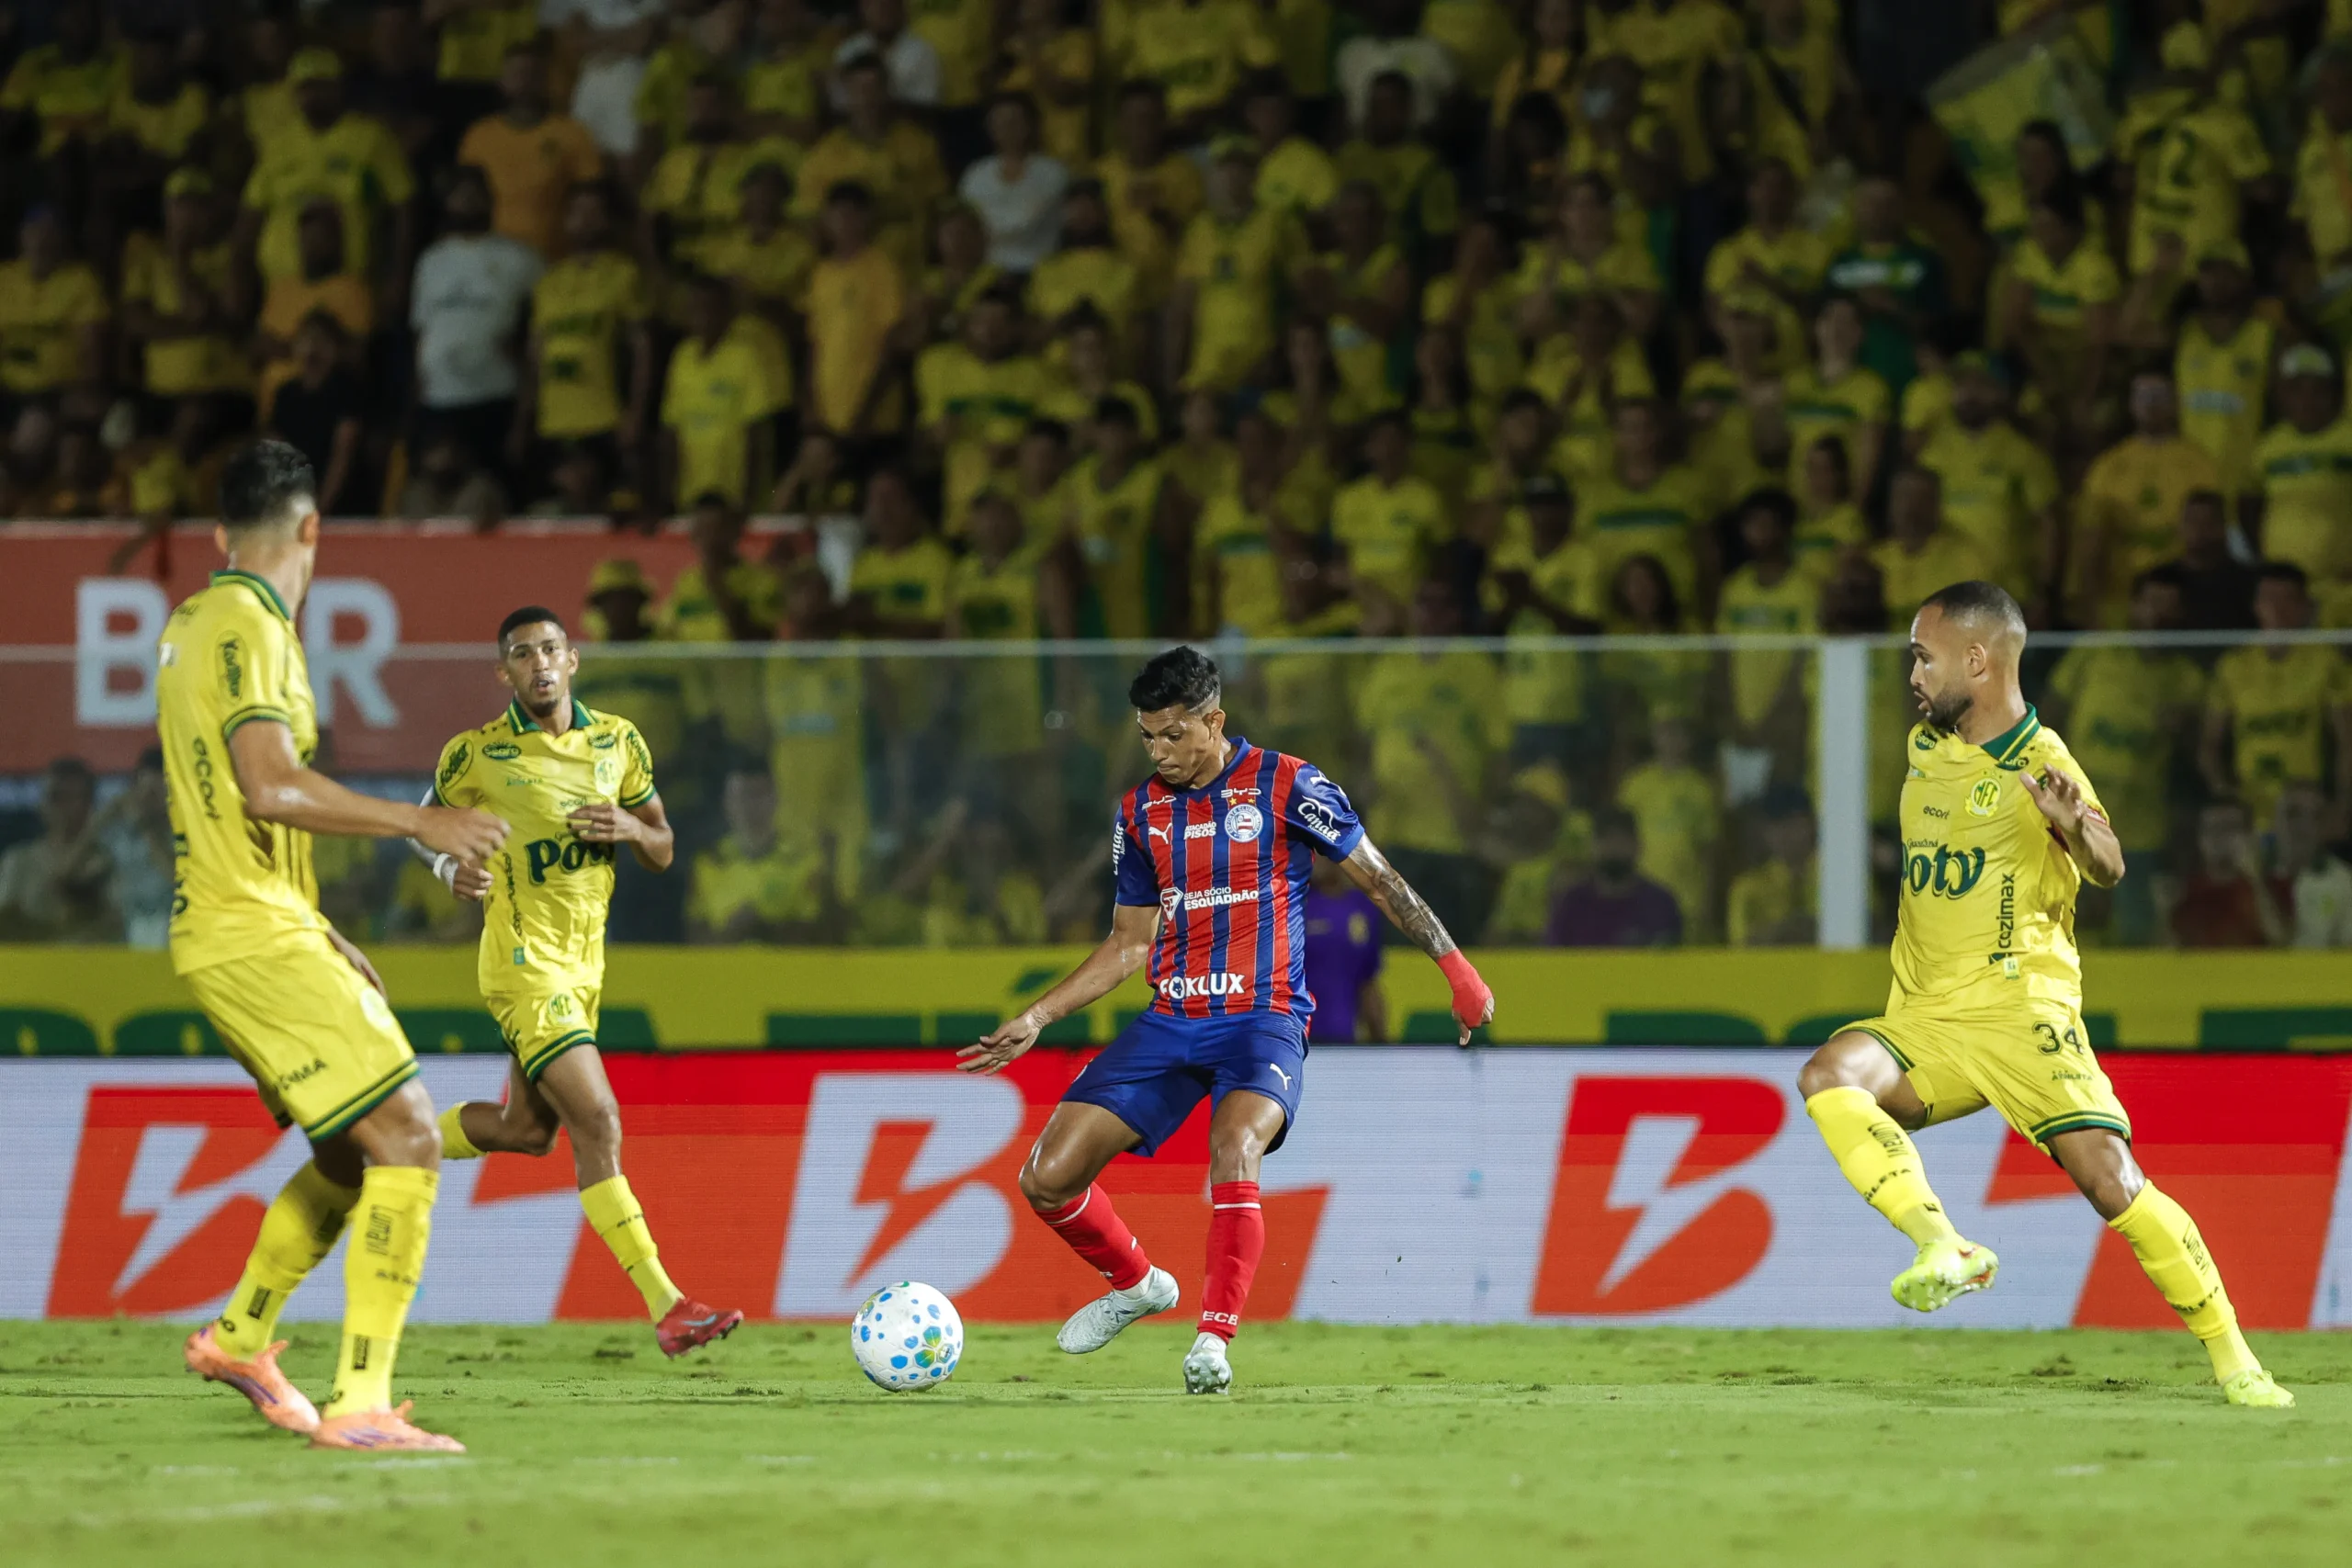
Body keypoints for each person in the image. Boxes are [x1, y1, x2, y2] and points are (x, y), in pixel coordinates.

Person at [1795, 579, 2293, 1407]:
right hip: (1927, 1016)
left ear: (1978, 660)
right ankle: (1944, 1244)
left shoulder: (2042, 760)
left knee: (2112, 1183)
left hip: (2023, 1012)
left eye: (1924, 656)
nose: (1912, 673)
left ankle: (2237, 1357)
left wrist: (2074, 824)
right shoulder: (1926, 748)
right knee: (1828, 1075)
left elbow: (2108, 862)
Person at [956, 648, 1493, 1395]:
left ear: (1215, 721)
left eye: (1175, 734)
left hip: (1263, 1018)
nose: (1160, 752)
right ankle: (1141, 1284)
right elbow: (1129, 944)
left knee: (1236, 1144)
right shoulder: (1140, 811)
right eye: (1148, 736)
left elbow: (1379, 877)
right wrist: (1038, 1015)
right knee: (1045, 1177)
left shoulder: (1287, 784)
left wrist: (1456, 969)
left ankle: (1213, 1339)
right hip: (1173, 1018)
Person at [170, 440, 508, 1451]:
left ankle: (239, 1339)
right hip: (249, 934)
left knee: (346, 1153)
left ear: (221, 533)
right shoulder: (253, 625)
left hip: (244, 926)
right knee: (406, 1134)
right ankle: (361, 1406)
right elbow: (269, 787)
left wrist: (322, 927)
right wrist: (423, 824)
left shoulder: (193, 622)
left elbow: (219, 802)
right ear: (314, 529)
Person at [413, 606, 743, 1357]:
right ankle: (669, 1304)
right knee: (598, 1119)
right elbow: (419, 820)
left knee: (528, 1131)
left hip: (585, 968)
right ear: (504, 672)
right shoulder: (478, 753)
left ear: (574, 660)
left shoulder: (618, 741)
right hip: (524, 965)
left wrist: (630, 829)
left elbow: (662, 845)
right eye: (522, 654)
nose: (539, 664)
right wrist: (445, 864)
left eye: (551, 649)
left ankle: (394, 1141)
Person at [0, 757, 114, 941]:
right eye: (54, 796)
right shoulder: (17, 861)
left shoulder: (107, 861)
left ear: (89, 803)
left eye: (69, 798)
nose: (61, 807)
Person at [1543, 807, 1681, 947]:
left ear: (1638, 846)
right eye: (1606, 840)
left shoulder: (1660, 904)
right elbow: (1553, 959)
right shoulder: (1571, 905)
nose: (1614, 847)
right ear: (1592, 847)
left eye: (1621, 840)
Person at [2169, 797, 2282, 949]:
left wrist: (2255, 880)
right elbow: (2164, 952)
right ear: (2200, 839)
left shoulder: (2271, 885)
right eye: (2211, 828)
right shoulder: (2184, 891)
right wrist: (2166, 911)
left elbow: (2281, 941)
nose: (2219, 836)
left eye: (2229, 828)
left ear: (2248, 835)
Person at [1303, 853, 1386, 1043]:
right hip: (1292, 1040)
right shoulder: (1290, 905)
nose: (1315, 858)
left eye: (1321, 851)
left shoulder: (1363, 909)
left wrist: (1381, 1042)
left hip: (1343, 1041)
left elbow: (1367, 982)